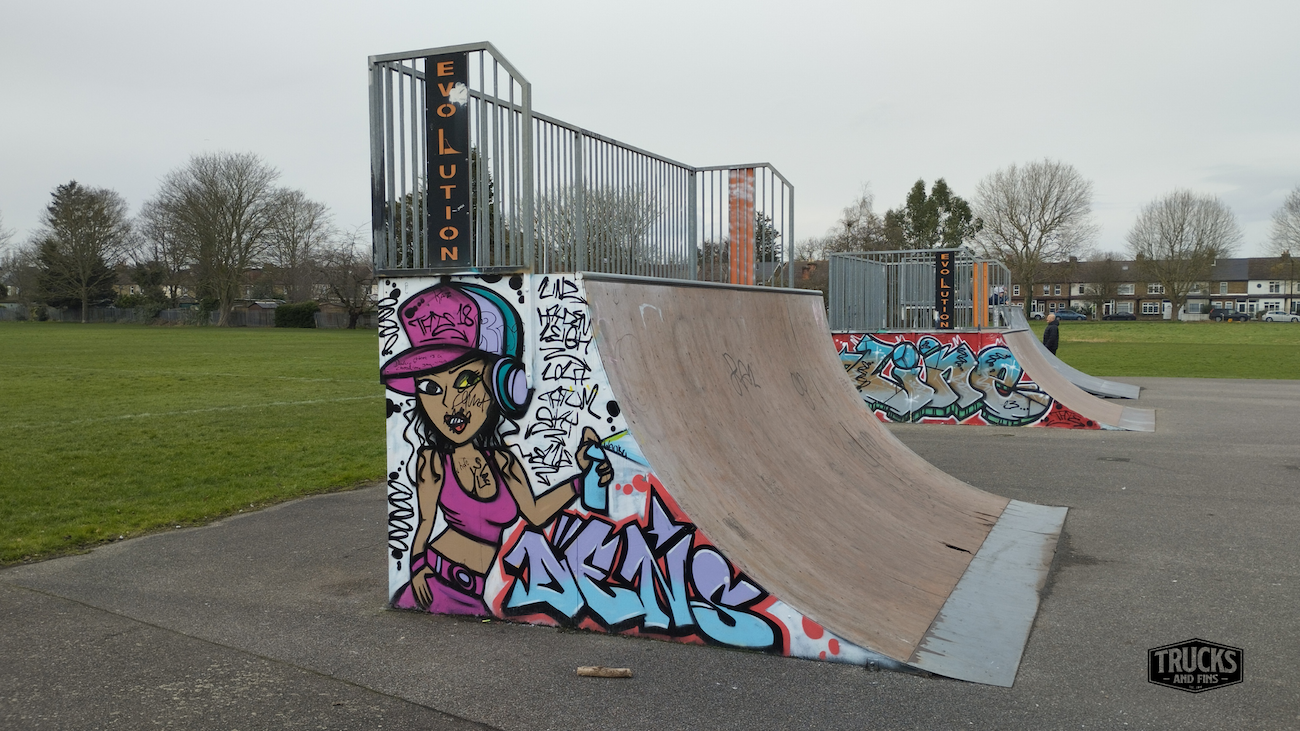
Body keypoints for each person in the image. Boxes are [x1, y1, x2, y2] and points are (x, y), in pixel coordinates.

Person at [380, 282, 612, 616]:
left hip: (472, 592)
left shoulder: (504, 462)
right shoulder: (432, 461)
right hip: (433, 582)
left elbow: (535, 513)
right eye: (430, 387)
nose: (448, 404)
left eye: (465, 381)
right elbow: (425, 521)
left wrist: (581, 479)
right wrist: (417, 569)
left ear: (502, 384)